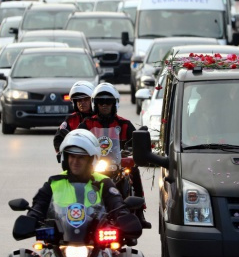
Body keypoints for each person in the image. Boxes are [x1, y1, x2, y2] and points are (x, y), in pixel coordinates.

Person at [27, 129, 136, 230]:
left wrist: (123, 214)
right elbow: (39, 205)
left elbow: (116, 203)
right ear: (66, 158)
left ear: (90, 160)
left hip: (95, 238)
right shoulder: (54, 183)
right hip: (60, 238)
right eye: (72, 156)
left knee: (124, 251)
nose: (75, 161)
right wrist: (32, 217)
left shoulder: (103, 182)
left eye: (81, 157)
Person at [78, 83, 151, 229]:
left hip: (118, 164)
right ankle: (76, 210)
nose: (104, 105)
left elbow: (136, 142)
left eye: (108, 102)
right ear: (95, 103)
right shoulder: (87, 124)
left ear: (114, 103)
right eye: (100, 102)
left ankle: (139, 212)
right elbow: (78, 140)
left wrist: (135, 148)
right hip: (94, 165)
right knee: (77, 175)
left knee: (134, 171)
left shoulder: (124, 124)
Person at [53, 81, 95, 153]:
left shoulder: (99, 118)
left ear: (92, 100)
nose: (82, 103)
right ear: (75, 103)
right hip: (78, 155)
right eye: (79, 100)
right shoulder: (71, 119)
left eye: (86, 99)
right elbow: (58, 137)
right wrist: (61, 152)